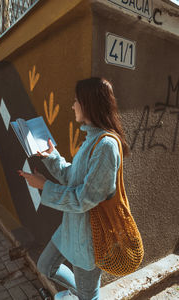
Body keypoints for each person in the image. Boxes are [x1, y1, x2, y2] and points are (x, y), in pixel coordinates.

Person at [18, 77, 129, 300]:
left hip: (89, 239)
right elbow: (71, 177)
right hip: (71, 228)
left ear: (88, 104)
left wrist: (44, 186)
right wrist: (51, 157)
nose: (72, 106)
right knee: (46, 265)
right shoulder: (91, 139)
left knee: (89, 296)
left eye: (76, 101)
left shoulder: (106, 146)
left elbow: (84, 199)